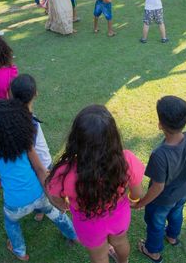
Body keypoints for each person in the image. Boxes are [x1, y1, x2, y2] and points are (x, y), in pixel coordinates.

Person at [0, 99, 77, 261]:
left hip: (14, 204)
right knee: (56, 214)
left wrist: (8, 181)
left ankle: (20, 252)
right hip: (39, 194)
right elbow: (40, 169)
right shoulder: (24, 139)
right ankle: (73, 235)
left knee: (11, 223)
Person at [47, 105, 144, 263]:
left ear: (76, 139)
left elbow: (55, 196)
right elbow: (138, 194)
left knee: (98, 255)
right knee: (120, 242)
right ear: (113, 136)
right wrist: (132, 200)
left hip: (87, 223)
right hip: (118, 214)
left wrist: (63, 205)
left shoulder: (64, 172)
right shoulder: (126, 160)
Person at [134, 96, 186, 262]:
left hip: (161, 201)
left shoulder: (159, 155)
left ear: (160, 125)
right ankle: (172, 237)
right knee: (176, 214)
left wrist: (141, 203)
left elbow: (157, 187)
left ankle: (152, 251)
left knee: (156, 225)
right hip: (183, 192)